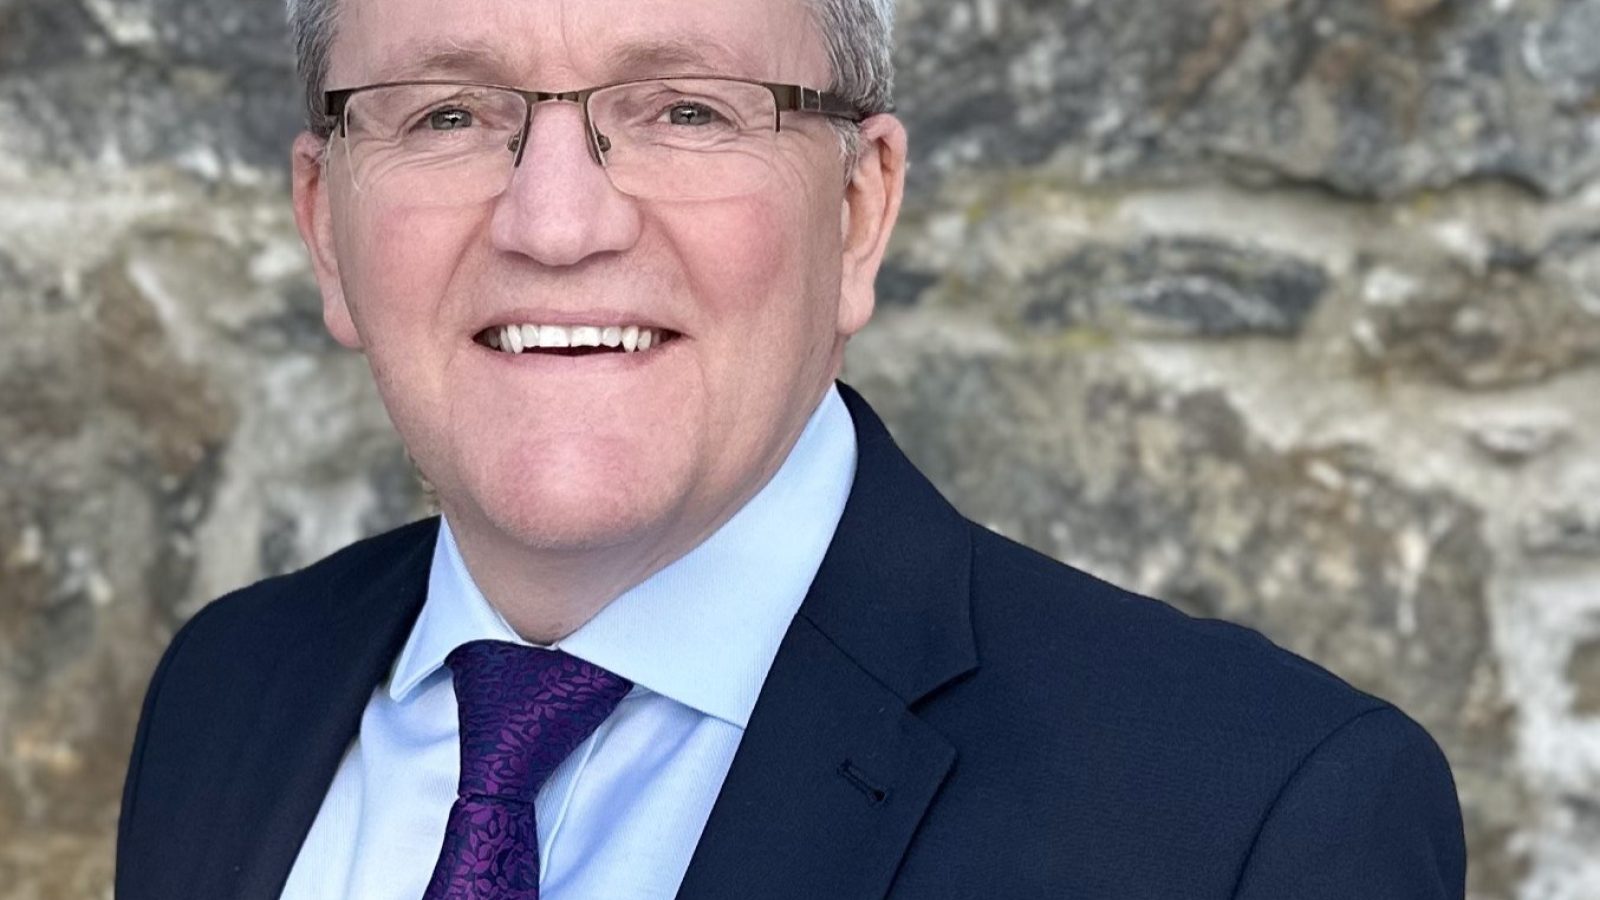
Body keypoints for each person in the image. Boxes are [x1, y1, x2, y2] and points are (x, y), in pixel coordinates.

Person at [114, 0, 1467, 897]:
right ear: (325, 226)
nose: (556, 224)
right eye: (447, 115)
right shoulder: (227, 693)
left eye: (685, 110)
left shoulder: (1251, 821)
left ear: (861, 211)